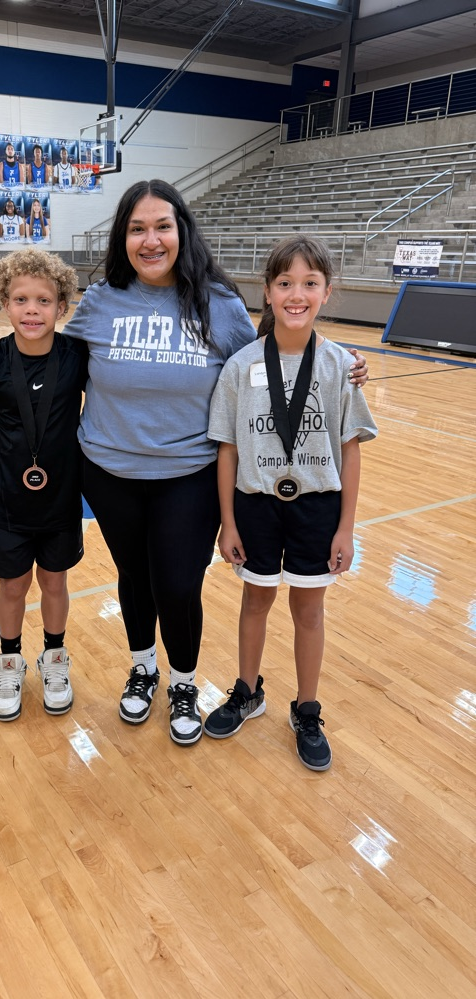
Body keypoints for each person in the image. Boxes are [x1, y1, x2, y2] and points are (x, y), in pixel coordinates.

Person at [59, 179, 369, 746]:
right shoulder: (101, 298)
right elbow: (58, 363)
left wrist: (343, 359)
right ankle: (143, 666)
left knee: (177, 584)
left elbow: (267, 360)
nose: (150, 240)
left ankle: (182, 682)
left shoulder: (219, 303)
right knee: (135, 578)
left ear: (182, 231)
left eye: (162, 226)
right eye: (137, 228)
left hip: (189, 475)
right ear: (122, 237)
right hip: (108, 473)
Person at [204, 235, 377, 770]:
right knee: (255, 601)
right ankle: (247, 691)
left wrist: (347, 527)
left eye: (309, 283)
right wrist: (227, 521)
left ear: (327, 292)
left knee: (309, 609)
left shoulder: (341, 366)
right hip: (256, 506)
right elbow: (228, 450)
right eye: (285, 284)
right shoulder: (240, 366)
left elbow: (349, 453)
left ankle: (305, 709)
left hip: (317, 507)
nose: (296, 294)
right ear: (268, 291)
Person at [0, 248, 87, 721]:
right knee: (13, 585)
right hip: (8, 501)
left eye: (43, 300)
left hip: (60, 497)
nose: (32, 310)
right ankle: (9, 659)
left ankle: (55, 657)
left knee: (55, 580)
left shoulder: (77, 356)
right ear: (4, 302)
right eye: (20, 299)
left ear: (62, 306)